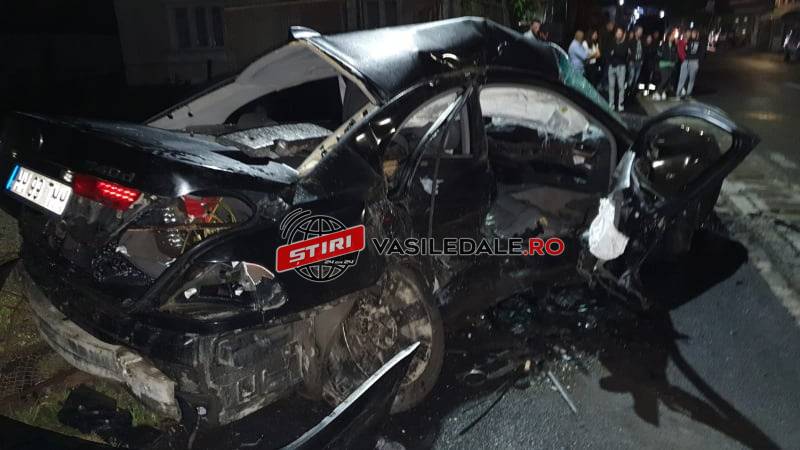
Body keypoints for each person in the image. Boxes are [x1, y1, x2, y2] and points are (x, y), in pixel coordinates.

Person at [676, 29, 705, 99]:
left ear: (697, 34)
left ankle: (688, 94)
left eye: (695, 33)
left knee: (691, 79)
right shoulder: (688, 41)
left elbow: (702, 53)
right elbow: (681, 46)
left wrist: (698, 62)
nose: (693, 34)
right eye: (692, 33)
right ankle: (678, 93)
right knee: (682, 78)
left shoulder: (701, 42)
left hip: (694, 61)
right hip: (686, 61)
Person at [607, 27, 629, 111]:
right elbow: (607, 53)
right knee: (611, 86)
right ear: (615, 33)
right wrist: (614, 53)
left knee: (621, 87)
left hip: (621, 67)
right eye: (618, 33)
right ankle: (611, 103)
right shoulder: (611, 42)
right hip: (611, 66)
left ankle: (620, 104)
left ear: (622, 34)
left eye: (620, 33)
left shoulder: (625, 44)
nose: (619, 34)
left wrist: (614, 52)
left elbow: (623, 54)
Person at [654, 30, 678, 100]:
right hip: (663, 64)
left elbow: (675, 55)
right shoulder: (663, 44)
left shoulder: (674, 46)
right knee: (665, 79)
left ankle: (663, 92)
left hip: (671, 65)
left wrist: (675, 61)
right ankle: (658, 92)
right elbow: (659, 54)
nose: (672, 37)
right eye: (671, 36)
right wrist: (660, 60)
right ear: (668, 37)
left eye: (673, 36)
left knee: (668, 80)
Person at [626, 26, 644, 94]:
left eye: (641, 31)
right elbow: (629, 52)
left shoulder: (641, 41)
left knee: (636, 78)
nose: (640, 33)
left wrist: (642, 60)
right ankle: (627, 90)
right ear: (636, 32)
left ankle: (632, 91)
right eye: (639, 31)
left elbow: (643, 52)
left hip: (639, 62)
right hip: (632, 62)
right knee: (631, 76)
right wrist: (631, 59)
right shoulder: (631, 41)